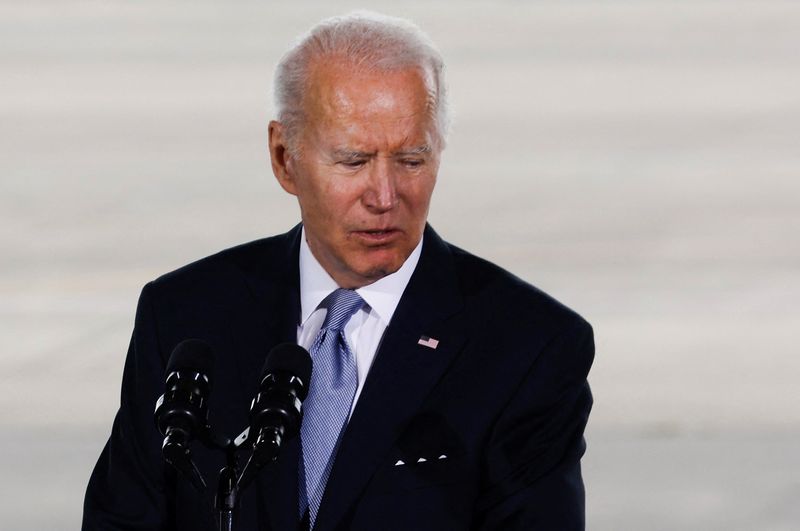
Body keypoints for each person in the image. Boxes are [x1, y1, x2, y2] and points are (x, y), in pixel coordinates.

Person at [83, 11, 594, 531]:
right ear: (285, 158)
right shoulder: (184, 316)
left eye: (412, 160)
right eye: (353, 161)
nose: (385, 196)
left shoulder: (530, 346)